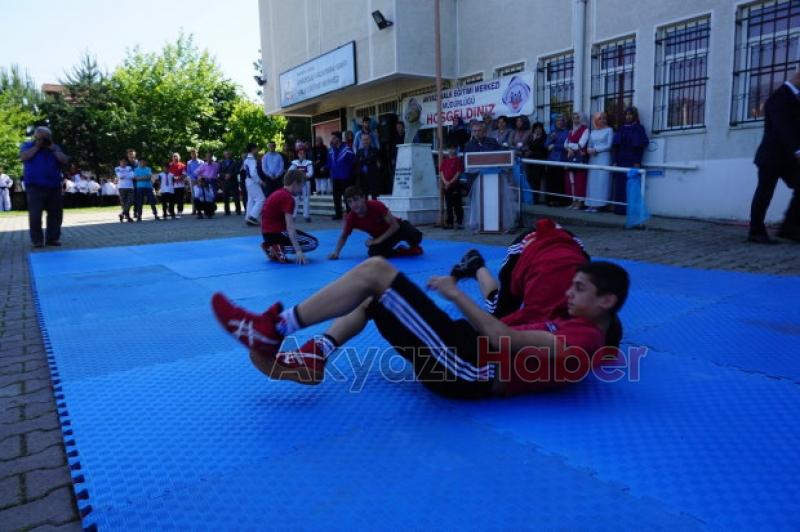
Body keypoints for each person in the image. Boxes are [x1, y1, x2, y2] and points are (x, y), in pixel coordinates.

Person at [209, 223, 629, 397]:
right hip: (462, 354)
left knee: (376, 270)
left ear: (606, 302)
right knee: (374, 296)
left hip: (467, 368)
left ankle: (274, 329)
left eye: (579, 289)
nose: (568, 294)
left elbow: (502, 339)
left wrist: (453, 292)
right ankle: (313, 355)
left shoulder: (586, 337)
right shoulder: (575, 322)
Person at [749, 69, 800, 244]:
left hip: (787, 158)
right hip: (771, 157)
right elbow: (782, 128)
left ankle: (790, 228)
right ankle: (756, 232)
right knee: (764, 193)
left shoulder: (795, 98)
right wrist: (798, 150)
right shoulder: (779, 97)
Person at [329, 186, 424, 260]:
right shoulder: (351, 217)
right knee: (373, 253)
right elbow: (344, 235)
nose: (353, 204)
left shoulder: (376, 205)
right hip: (382, 235)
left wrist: (377, 240)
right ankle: (401, 251)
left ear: (363, 198)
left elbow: (395, 226)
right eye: (349, 202)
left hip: (399, 228)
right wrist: (336, 253)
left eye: (356, 199)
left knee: (416, 236)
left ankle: (411, 245)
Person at [19, 126, 69, 247]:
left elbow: (64, 160)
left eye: (45, 137)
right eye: (40, 136)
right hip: (34, 186)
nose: (43, 139)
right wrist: (37, 146)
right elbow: (23, 157)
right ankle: (37, 240)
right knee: (35, 214)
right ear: (35, 136)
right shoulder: (28, 145)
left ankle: (52, 239)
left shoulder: (55, 147)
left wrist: (53, 149)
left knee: (56, 214)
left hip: (54, 186)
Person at [464, 121, 515, 233]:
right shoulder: (468, 145)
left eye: (479, 131)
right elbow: (467, 163)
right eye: (475, 131)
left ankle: (498, 224)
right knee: (478, 204)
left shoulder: (492, 142)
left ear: (484, 131)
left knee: (495, 203)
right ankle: (478, 224)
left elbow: (501, 155)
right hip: (477, 179)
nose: (477, 133)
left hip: (494, 178)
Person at [260, 169, 319, 264]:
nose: (301, 190)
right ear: (295, 183)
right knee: (313, 243)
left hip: (267, 234)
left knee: (300, 236)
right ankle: (277, 249)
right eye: (301, 186)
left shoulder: (278, 193)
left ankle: (272, 247)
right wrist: (298, 251)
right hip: (276, 233)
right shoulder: (288, 198)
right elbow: (290, 227)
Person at [612, 107, 649, 215]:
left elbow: (640, 147)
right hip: (621, 160)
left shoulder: (638, 128)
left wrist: (637, 161)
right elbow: (616, 146)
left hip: (633, 160)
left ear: (634, 116)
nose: (628, 116)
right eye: (626, 114)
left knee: (632, 186)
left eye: (630, 114)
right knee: (620, 186)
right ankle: (620, 210)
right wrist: (615, 160)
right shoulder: (621, 128)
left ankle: (631, 210)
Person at [585, 112, 614, 213]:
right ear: (596, 120)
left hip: (604, 157)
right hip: (593, 158)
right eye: (600, 118)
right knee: (593, 180)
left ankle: (600, 204)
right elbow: (589, 145)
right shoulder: (593, 132)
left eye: (604, 118)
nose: (602, 120)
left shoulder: (609, 130)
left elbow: (609, 145)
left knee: (602, 180)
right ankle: (591, 204)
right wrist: (589, 150)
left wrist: (596, 150)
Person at [328, 131, 356, 220]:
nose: (331, 140)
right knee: (336, 196)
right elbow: (329, 162)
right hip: (335, 177)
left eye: (333, 138)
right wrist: (325, 167)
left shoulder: (347, 149)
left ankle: (350, 213)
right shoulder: (331, 150)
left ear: (338, 139)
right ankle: (338, 213)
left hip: (345, 177)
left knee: (347, 196)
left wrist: (349, 172)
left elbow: (353, 161)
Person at [565, 112, 589, 209]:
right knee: (571, 180)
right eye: (574, 118)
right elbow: (565, 143)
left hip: (579, 158)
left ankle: (580, 202)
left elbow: (581, 144)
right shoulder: (571, 131)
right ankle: (574, 200)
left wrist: (570, 147)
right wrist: (569, 148)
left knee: (580, 179)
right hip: (571, 158)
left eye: (578, 118)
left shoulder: (585, 130)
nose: (576, 120)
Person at [544, 114, 569, 206]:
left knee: (559, 181)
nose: (559, 122)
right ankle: (551, 200)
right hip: (551, 160)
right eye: (557, 120)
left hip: (561, 159)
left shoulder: (567, 132)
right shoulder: (552, 132)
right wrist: (551, 139)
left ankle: (559, 201)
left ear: (564, 122)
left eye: (561, 120)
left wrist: (555, 145)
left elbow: (567, 145)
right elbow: (546, 145)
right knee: (551, 181)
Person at [439, 143, 464, 229]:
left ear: (456, 149)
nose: (451, 150)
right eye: (449, 148)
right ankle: (450, 222)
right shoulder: (445, 161)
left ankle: (460, 222)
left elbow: (458, 172)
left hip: (455, 185)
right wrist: (445, 182)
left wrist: (450, 182)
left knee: (457, 205)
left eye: (453, 148)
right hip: (446, 186)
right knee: (449, 205)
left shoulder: (458, 160)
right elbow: (441, 172)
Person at [524, 122, 548, 204]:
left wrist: (531, 151)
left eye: (539, 128)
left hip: (539, 161)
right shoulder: (531, 137)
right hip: (531, 162)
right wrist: (533, 139)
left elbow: (543, 149)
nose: (538, 130)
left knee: (536, 181)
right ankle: (530, 198)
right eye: (536, 128)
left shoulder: (545, 137)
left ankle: (536, 200)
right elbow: (526, 145)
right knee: (530, 179)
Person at [288, 143, 313, 222]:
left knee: (306, 199)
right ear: (298, 154)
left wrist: (302, 175)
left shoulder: (308, 162)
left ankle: (306, 215)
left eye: (303, 153)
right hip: (297, 184)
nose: (301, 155)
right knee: (295, 199)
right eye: (300, 153)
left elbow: (310, 173)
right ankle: (293, 216)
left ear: (305, 154)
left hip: (306, 183)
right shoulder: (295, 162)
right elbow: (290, 171)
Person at [242, 143, 265, 226]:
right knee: (261, 199)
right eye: (256, 149)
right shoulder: (252, 160)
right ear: (253, 149)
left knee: (251, 200)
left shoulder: (246, 159)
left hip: (248, 181)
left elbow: (245, 170)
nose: (257, 150)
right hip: (253, 182)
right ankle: (253, 217)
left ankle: (248, 217)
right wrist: (260, 181)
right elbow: (253, 173)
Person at [354, 134, 382, 200]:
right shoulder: (359, 151)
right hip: (362, 176)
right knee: (363, 195)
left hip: (372, 175)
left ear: (370, 140)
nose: (365, 141)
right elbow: (357, 162)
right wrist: (367, 160)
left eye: (367, 139)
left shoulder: (375, 150)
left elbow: (373, 159)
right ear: (361, 141)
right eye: (364, 140)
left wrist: (363, 160)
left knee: (374, 195)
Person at [219, 150, 242, 216]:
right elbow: (219, 172)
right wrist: (224, 175)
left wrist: (230, 175)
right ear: (224, 155)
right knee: (225, 197)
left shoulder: (235, 162)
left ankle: (238, 210)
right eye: (226, 154)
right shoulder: (221, 163)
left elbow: (237, 171)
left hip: (233, 181)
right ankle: (227, 211)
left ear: (230, 154)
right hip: (225, 182)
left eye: (228, 154)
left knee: (236, 197)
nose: (227, 155)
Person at [168, 153, 188, 218]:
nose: (175, 158)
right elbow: (168, 174)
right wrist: (173, 178)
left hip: (180, 185)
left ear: (179, 158)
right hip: (171, 185)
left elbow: (184, 174)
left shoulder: (183, 165)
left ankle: (180, 211)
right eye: (174, 156)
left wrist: (179, 177)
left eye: (176, 156)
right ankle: (171, 212)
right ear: (172, 158)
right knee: (171, 199)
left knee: (180, 200)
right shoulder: (170, 165)